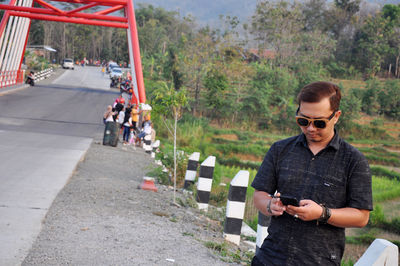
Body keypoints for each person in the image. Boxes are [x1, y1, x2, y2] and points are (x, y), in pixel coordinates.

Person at [251, 81, 372, 266]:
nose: (310, 128)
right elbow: (259, 194)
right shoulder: (280, 150)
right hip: (270, 257)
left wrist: (322, 213)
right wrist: (270, 205)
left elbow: (361, 216)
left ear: (336, 116)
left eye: (319, 123)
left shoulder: (354, 161)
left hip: (319, 261)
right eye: (303, 121)